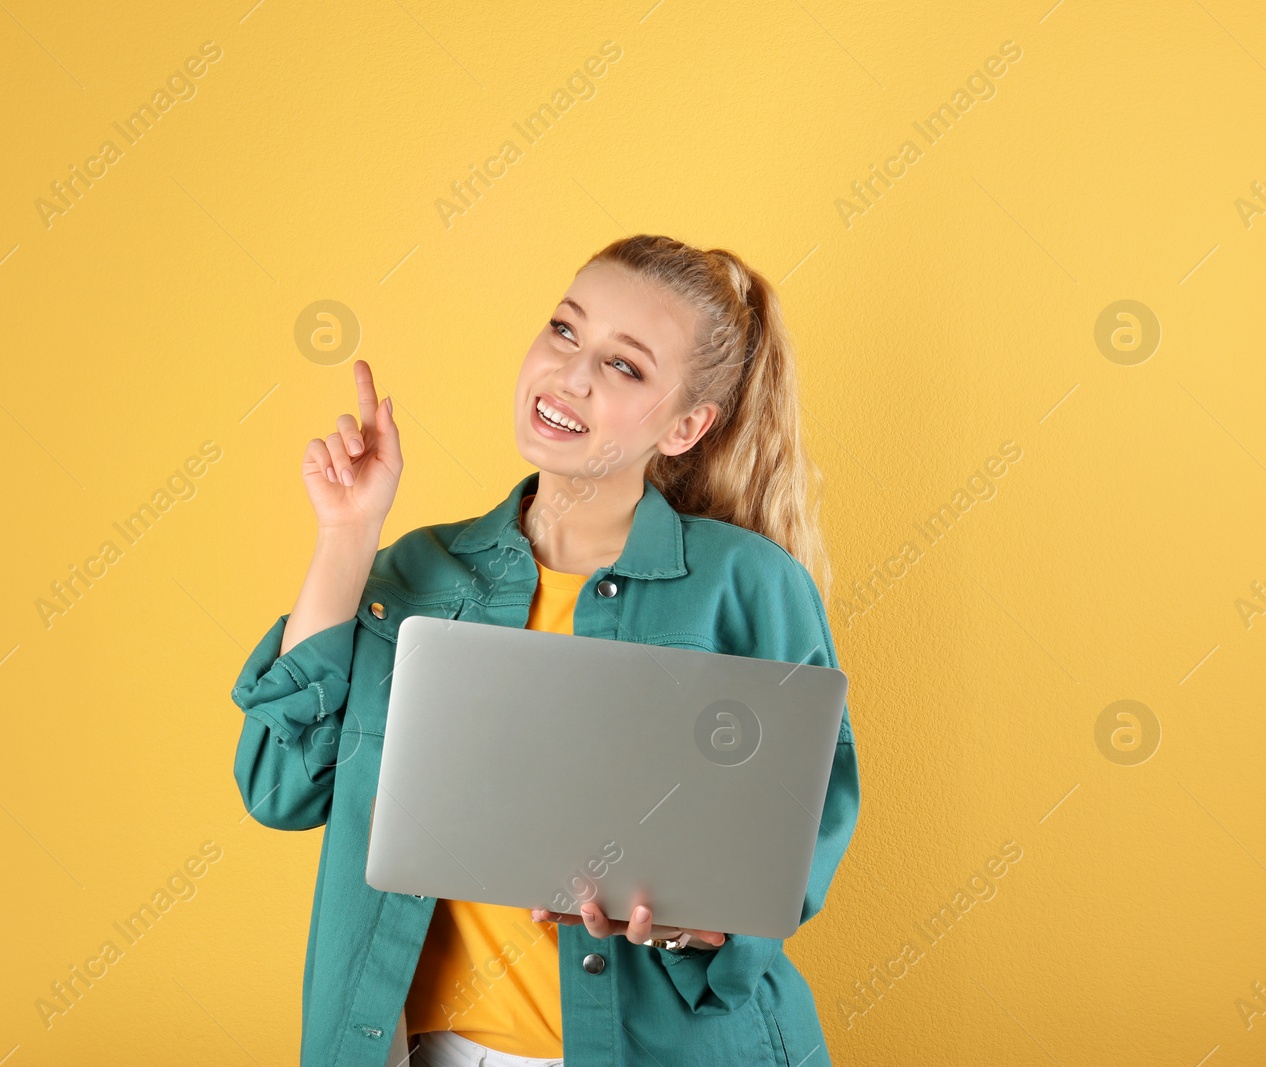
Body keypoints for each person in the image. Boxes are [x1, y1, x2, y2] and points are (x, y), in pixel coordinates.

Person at [231, 234, 860, 1066]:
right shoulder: (415, 575)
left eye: (625, 366)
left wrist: (696, 924)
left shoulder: (748, 585)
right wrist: (348, 535)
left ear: (685, 427)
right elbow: (278, 786)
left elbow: (801, 828)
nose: (573, 375)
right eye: (565, 330)